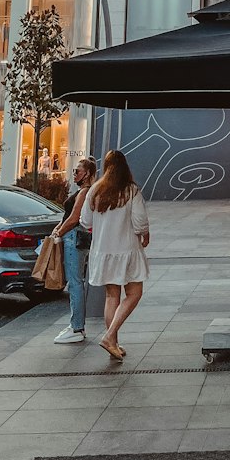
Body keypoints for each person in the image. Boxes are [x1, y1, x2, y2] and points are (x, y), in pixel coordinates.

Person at [80, 149, 150, 361]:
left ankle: (114, 343)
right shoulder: (131, 191)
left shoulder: (95, 190)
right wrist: (145, 234)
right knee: (134, 293)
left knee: (112, 296)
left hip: (103, 251)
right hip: (126, 249)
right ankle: (110, 337)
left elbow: (85, 221)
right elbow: (139, 221)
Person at [49, 155, 98, 345]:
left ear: (87, 174)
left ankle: (77, 327)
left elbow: (74, 217)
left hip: (74, 237)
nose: (74, 174)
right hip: (73, 236)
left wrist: (59, 232)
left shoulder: (85, 192)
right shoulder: (84, 191)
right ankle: (75, 325)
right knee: (75, 280)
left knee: (75, 281)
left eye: (77, 171)